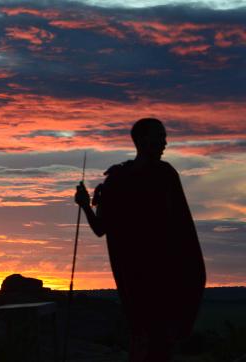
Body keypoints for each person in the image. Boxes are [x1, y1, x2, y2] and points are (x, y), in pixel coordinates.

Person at [74, 118, 206, 362]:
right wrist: (85, 205)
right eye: (160, 136)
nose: (165, 142)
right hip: (136, 276)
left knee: (157, 341)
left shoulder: (164, 175)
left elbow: (181, 226)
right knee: (148, 339)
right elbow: (101, 228)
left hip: (164, 273)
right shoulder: (118, 180)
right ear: (143, 140)